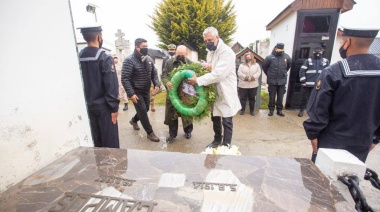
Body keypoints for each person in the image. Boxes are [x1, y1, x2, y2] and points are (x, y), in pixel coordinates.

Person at [303, 27, 380, 163]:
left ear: (347, 42)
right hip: (363, 141)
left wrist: (313, 133)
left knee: (321, 180)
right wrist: (376, 137)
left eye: (341, 43)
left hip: (332, 141)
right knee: (350, 179)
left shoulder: (334, 72)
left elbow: (319, 108)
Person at [188, 26, 241, 148]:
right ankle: (217, 140)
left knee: (226, 119)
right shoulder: (210, 52)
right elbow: (213, 67)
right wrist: (206, 67)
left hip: (225, 90)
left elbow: (219, 74)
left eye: (210, 40)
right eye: (206, 41)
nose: (208, 43)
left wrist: (198, 80)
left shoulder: (227, 52)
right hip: (214, 90)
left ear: (217, 37)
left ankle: (226, 144)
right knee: (215, 117)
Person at [77, 24, 120, 148]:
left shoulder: (79, 57)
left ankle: (99, 167)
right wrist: (114, 108)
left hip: (87, 108)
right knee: (110, 144)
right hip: (104, 108)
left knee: (96, 143)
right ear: (99, 37)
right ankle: (113, 168)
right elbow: (111, 85)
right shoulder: (104, 57)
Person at [121, 38, 161, 142]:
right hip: (136, 91)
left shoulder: (149, 59)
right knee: (143, 110)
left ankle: (133, 120)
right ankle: (150, 132)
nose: (146, 48)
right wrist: (131, 93)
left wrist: (157, 83)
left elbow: (154, 74)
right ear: (137, 47)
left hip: (146, 90)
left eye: (147, 46)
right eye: (144, 47)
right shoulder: (129, 60)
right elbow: (125, 78)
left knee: (146, 109)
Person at [162, 45, 193, 143]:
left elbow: (194, 76)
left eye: (182, 55)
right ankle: (172, 134)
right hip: (172, 93)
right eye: (178, 54)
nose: (180, 56)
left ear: (186, 54)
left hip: (185, 93)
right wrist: (167, 82)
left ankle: (188, 131)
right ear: (176, 53)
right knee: (172, 114)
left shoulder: (191, 64)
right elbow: (164, 75)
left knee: (186, 113)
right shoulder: (169, 63)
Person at [298, 47, 329, 117]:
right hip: (308, 84)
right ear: (313, 52)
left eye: (319, 52)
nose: (318, 53)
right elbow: (302, 71)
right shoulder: (308, 61)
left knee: (317, 99)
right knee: (305, 98)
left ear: (322, 53)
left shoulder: (325, 61)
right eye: (316, 52)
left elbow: (328, 72)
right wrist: (303, 81)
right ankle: (302, 110)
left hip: (319, 84)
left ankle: (314, 112)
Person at [262, 43, 292, 117]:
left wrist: (282, 74)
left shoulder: (287, 57)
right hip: (272, 81)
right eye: (279, 49)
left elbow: (288, 67)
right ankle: (271, 110)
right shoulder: (269, 57)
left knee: (280, 97)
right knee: (272, 97)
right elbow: (265, 67)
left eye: (281, 49)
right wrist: (270, 75)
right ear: (275, 48)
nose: (280, 51)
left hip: (282, 81)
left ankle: (279, 110)